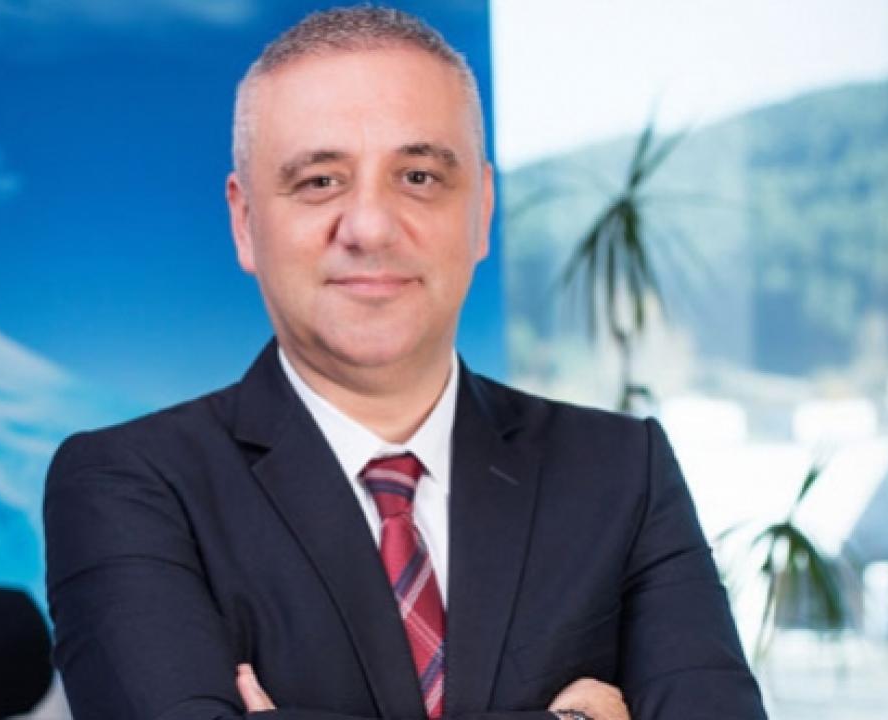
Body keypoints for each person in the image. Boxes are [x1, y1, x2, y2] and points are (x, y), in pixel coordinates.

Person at [43, 7, 767, 720]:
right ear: (244, 221)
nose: (370, 227)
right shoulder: (129, 485)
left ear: (482, 211)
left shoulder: (622, 471)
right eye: (320, 181)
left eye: (418, 176)